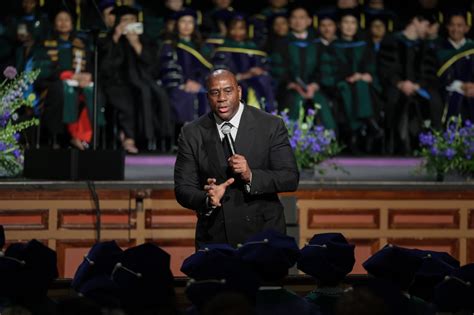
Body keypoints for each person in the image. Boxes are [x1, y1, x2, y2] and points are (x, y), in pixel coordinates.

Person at [174, 69, 299, 247]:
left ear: (239, 91)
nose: (222, 98)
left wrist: (251, 175)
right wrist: (207, 199)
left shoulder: (270, 125)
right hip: (216, 240)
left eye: (228, 91)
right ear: (207, 96)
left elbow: (290, 177)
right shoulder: (192, 132)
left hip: (263, 238)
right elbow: (183, 188)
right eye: (215, 92)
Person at [100, 5, 171, 153]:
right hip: (116, 82)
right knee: (129, 97)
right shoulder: (110, 39)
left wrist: (136, 44)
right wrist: (116, 37)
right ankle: (129, 138)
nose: (128, 23)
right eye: (125, 20)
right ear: (118, 22)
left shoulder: (144, 39)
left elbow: (153, 65)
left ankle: (160, 139)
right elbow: (105, 66)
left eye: (132, 20)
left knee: (160, 95)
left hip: (142, 80)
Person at [378, 11, 443, 155]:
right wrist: (400, 83)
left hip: (420, 86)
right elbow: (385, 68)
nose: (427, 30)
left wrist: (418, 85)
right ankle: (394, 148)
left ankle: (432, 147)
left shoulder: (426, 46)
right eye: (426, 25)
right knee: (393, 100)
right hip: (396, 86)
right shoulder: (391, 41)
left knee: (435, 101)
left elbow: (430, 70)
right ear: (416, 21)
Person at [212, 13, 276, 112]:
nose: (237, 32)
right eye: (233, 28)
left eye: (241, 28)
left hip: (256, 85)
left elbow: (266, 68)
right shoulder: (222, 48)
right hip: (235, 86)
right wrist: (245, 75)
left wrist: (261, 71)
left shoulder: (254, 48)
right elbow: (220, 74)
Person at [436, 10, 474, 122]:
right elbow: (435, 76)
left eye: (459, 25)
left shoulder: (471, 48)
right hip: (448, 92)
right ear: (447, 27)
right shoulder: (439, 49)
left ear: (467, 28)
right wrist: (460, 85)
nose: (455, 29)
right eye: (452, 25)